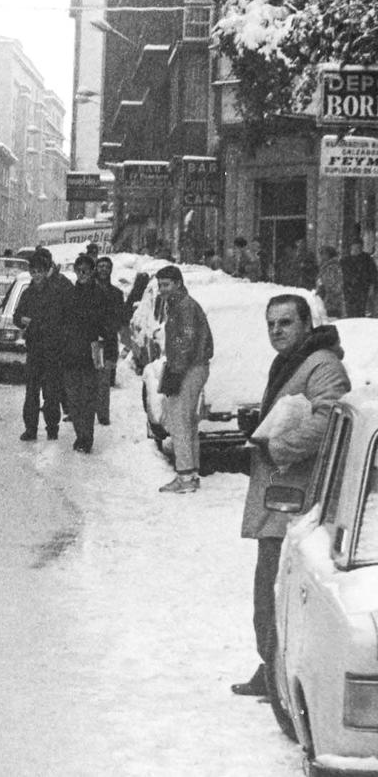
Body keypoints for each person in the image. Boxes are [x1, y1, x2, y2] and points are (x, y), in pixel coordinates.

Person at [230, 294, 349, 697]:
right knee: (268, 588)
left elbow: (329, 420)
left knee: (277, 589)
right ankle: (272, 665)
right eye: (271, 324)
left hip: (297, 500)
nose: (277, 331)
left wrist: (276, 446)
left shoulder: (323, 364)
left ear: (307, 324)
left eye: (286, 323)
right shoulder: (293, 361)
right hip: (280, 496)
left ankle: (283, 675)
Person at [155, 265, 214, 493]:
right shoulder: (178, 304)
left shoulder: (184, 307)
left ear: (178, 283)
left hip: (188, 368)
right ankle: (191, 473)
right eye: (160, 285)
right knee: (187, 423)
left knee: (179, 422)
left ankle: (185, 478)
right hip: (190, 366)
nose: (162, 290)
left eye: (166, 285)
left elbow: (186, 341)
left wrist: (175, 372)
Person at [15, 253, 70, 442]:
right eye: (33, 272)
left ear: (46, 272)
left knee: (51, 392)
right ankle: (30, 428)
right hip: (34, 349)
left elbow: (61, 319)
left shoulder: (56, 292)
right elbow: (17, 315)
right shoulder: (28, 293)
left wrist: (42, 325)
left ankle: (52, 428)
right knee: (31, 391)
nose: (36, 275)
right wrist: (22, 320)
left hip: (52, 349)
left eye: (40, 272)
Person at [61, 254, 111, 453]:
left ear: (92, 272)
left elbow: (108, 326)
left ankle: (86, 437)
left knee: (88, 398)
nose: (82, 274)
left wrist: (109, 354)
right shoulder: (70, 294)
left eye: (86, 271)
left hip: (91, 353)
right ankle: (79, 433)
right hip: (71, 353)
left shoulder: (100, 295)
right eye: (78, 270)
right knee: (72, 399)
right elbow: (62, 322)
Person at [94, 256, 125, 426]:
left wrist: (109, 330)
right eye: (101, 266)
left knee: (104, 380)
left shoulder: (116, 294)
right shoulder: (88, 291)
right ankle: (85, 412)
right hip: (90, 341)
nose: (103, 269)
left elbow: (119, 318)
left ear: (111, 270)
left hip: (107, 342)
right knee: (88, 379)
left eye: (107, 266)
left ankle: (103, 414)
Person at [340, 240, 377, 317]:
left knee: (361, 310)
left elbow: (373, 274)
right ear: (351, 248)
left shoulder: (367, 259)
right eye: (354, 248)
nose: (356, 250)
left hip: (363, 289)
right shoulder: (344, 260)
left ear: (361, 248)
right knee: (350, 311)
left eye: (358, 248)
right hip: (348, 290)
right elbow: (341, 275)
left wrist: (372, 286)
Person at [317, 245, 345, 318]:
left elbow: (332, 283)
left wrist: (324, 289)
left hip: (331, 298)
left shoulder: (332, 266)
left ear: (329, 254)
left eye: (323, 254)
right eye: (321, 254)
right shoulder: (326, 265)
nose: (322, 256)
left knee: (332, 316)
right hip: (327, 296)